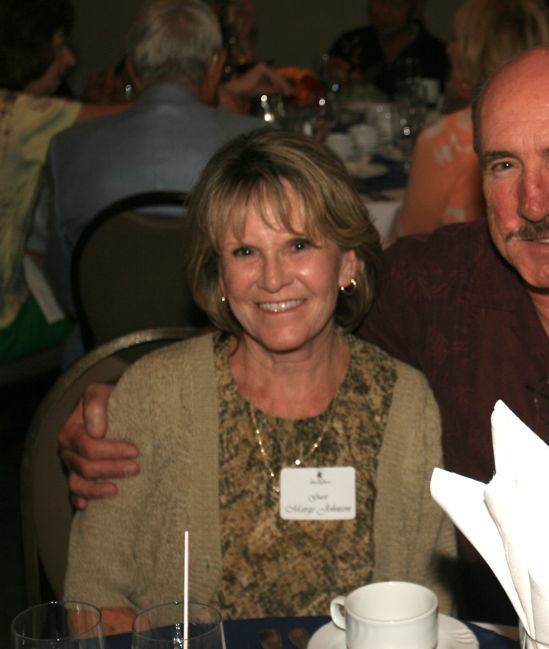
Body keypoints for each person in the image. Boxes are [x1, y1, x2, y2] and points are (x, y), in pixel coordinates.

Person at [59, 45, 549, 648]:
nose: (534, 202)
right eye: (505, 165)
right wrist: (119, 389)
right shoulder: (435, 287)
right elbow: (284, 312)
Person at [63, 129, 455, 634]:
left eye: (298, 245)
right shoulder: (153, 396)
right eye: (245, 252)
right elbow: (91, 603)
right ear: (220, 277)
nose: (272, 279)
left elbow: (432, 610)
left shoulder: (406, 404)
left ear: (348, 264)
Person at [42, 0, 291, 320]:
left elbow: (65, 283)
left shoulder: (67, 149)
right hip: (226, 348)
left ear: (132, 69)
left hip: (104, 358)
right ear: (216, 66)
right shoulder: (260, 144)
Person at [0, 0, 131, 361]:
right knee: (102, 322)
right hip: (4, 327)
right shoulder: (18, 117)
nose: (70, 60)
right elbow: (139, 117)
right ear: (27, 49)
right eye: (59, 47)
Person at [390, 0, 549, 239]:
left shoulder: (446, 140)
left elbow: (409, 243)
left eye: (457, 40)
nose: (449, 48)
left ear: (477, 54)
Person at [327, 0, 449, 98]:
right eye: (379, 1)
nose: (385, 11)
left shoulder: (437, 54)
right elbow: (324, 96)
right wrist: (332, 81)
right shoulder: (350, 43)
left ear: (416, 7)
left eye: (396, 4)